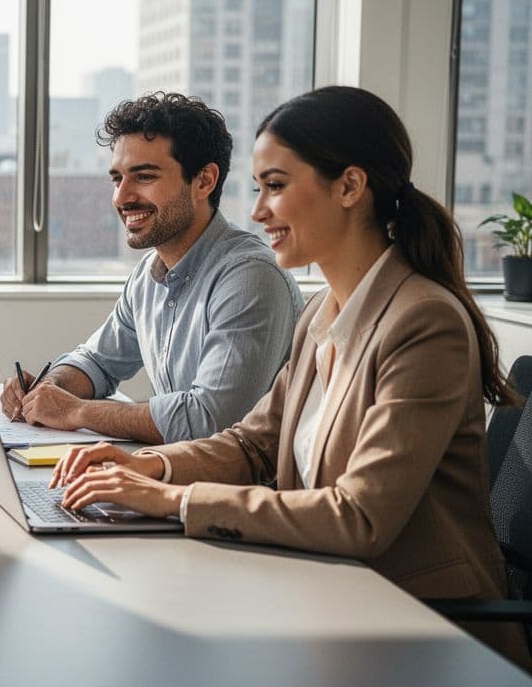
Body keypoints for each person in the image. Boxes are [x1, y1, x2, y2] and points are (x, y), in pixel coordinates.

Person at [52, 85, 530, 666]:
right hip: (325, 599)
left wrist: (171, 498)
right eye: (257, 189)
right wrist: (148, 464)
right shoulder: (322, 314)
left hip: (416, 628)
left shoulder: (425, 322)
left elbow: (360, 516)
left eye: (275, 187)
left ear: (350, 187)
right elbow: (255, 442)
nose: (256, 212)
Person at [2, 92, 303, 443]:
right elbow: (98, 362)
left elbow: (212, 419)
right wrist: (48, 388)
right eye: (117, 179)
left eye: (144, 177)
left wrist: (74, 411)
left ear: (204, 181)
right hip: (173, 478)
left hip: (237, 492)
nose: (122, 197)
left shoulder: (250, 277)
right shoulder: (148, 275)